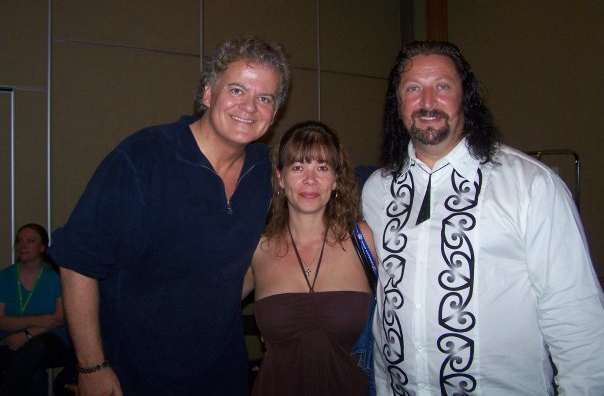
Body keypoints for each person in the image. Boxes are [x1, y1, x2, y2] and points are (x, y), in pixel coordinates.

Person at [49, 35, 291, 395]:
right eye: (237, 90)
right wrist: (92, 365)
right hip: (134, 376)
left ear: (274, 113)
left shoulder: (266, 174)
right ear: (207, 94)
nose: (250, 107)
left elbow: (268, 255)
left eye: (264, 98)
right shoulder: (143, 159)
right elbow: (77, 263)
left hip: (222, 375)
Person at [362, 41, 604, 395]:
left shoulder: (530, 186)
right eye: (413, 88)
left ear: (466, 97)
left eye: (442, 87)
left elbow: (574, 316)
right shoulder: (377, 190)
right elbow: (384, 307)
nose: (427, 101)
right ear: (397, 103)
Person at [242, 120, 377, 396]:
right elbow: (207, 312)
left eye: (322, 168)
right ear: (280, 178)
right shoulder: (257, 247)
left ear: (336, 179)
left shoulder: (363, 239)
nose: (310, 180)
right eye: (298, 167)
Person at [0, 223, 74, 395]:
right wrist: (36, 320)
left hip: (50, 340)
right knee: (33, 371)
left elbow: (59, 319)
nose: (23, 245)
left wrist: (27, 334)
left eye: (30, 241)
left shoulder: (55, 276)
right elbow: (1, 321)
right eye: (19, 241)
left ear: (42, 248)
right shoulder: (5, 277)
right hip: (12, 340)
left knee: (36, 348)